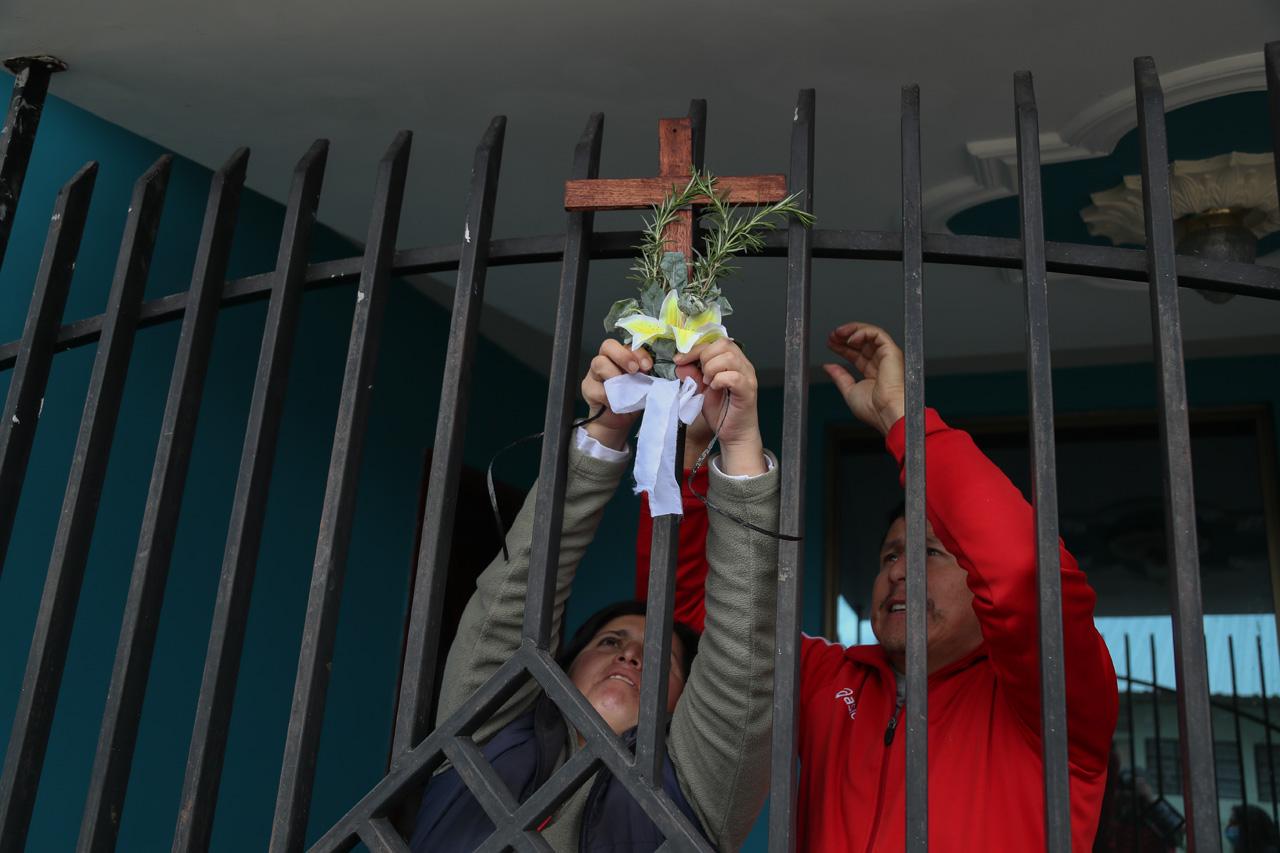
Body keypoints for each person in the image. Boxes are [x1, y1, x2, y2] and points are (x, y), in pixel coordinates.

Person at [636, 321, 1119, 851]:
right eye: (890, 555)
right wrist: (694, 454)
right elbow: (691, 621)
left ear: (979, 576)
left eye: (929, 552)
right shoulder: (825, 680)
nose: (898, 571)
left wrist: (902, 419)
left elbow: (1024, 572)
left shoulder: (1051, 701)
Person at [411, 337, 781, 852]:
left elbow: (743, 655)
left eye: (662, 658)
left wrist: (739, 444)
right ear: (563, 666)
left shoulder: (695, 795)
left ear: (688, 705)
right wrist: (604, 430)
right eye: (609, 641)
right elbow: (511, 602)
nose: (631, 655)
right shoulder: (486, 733)